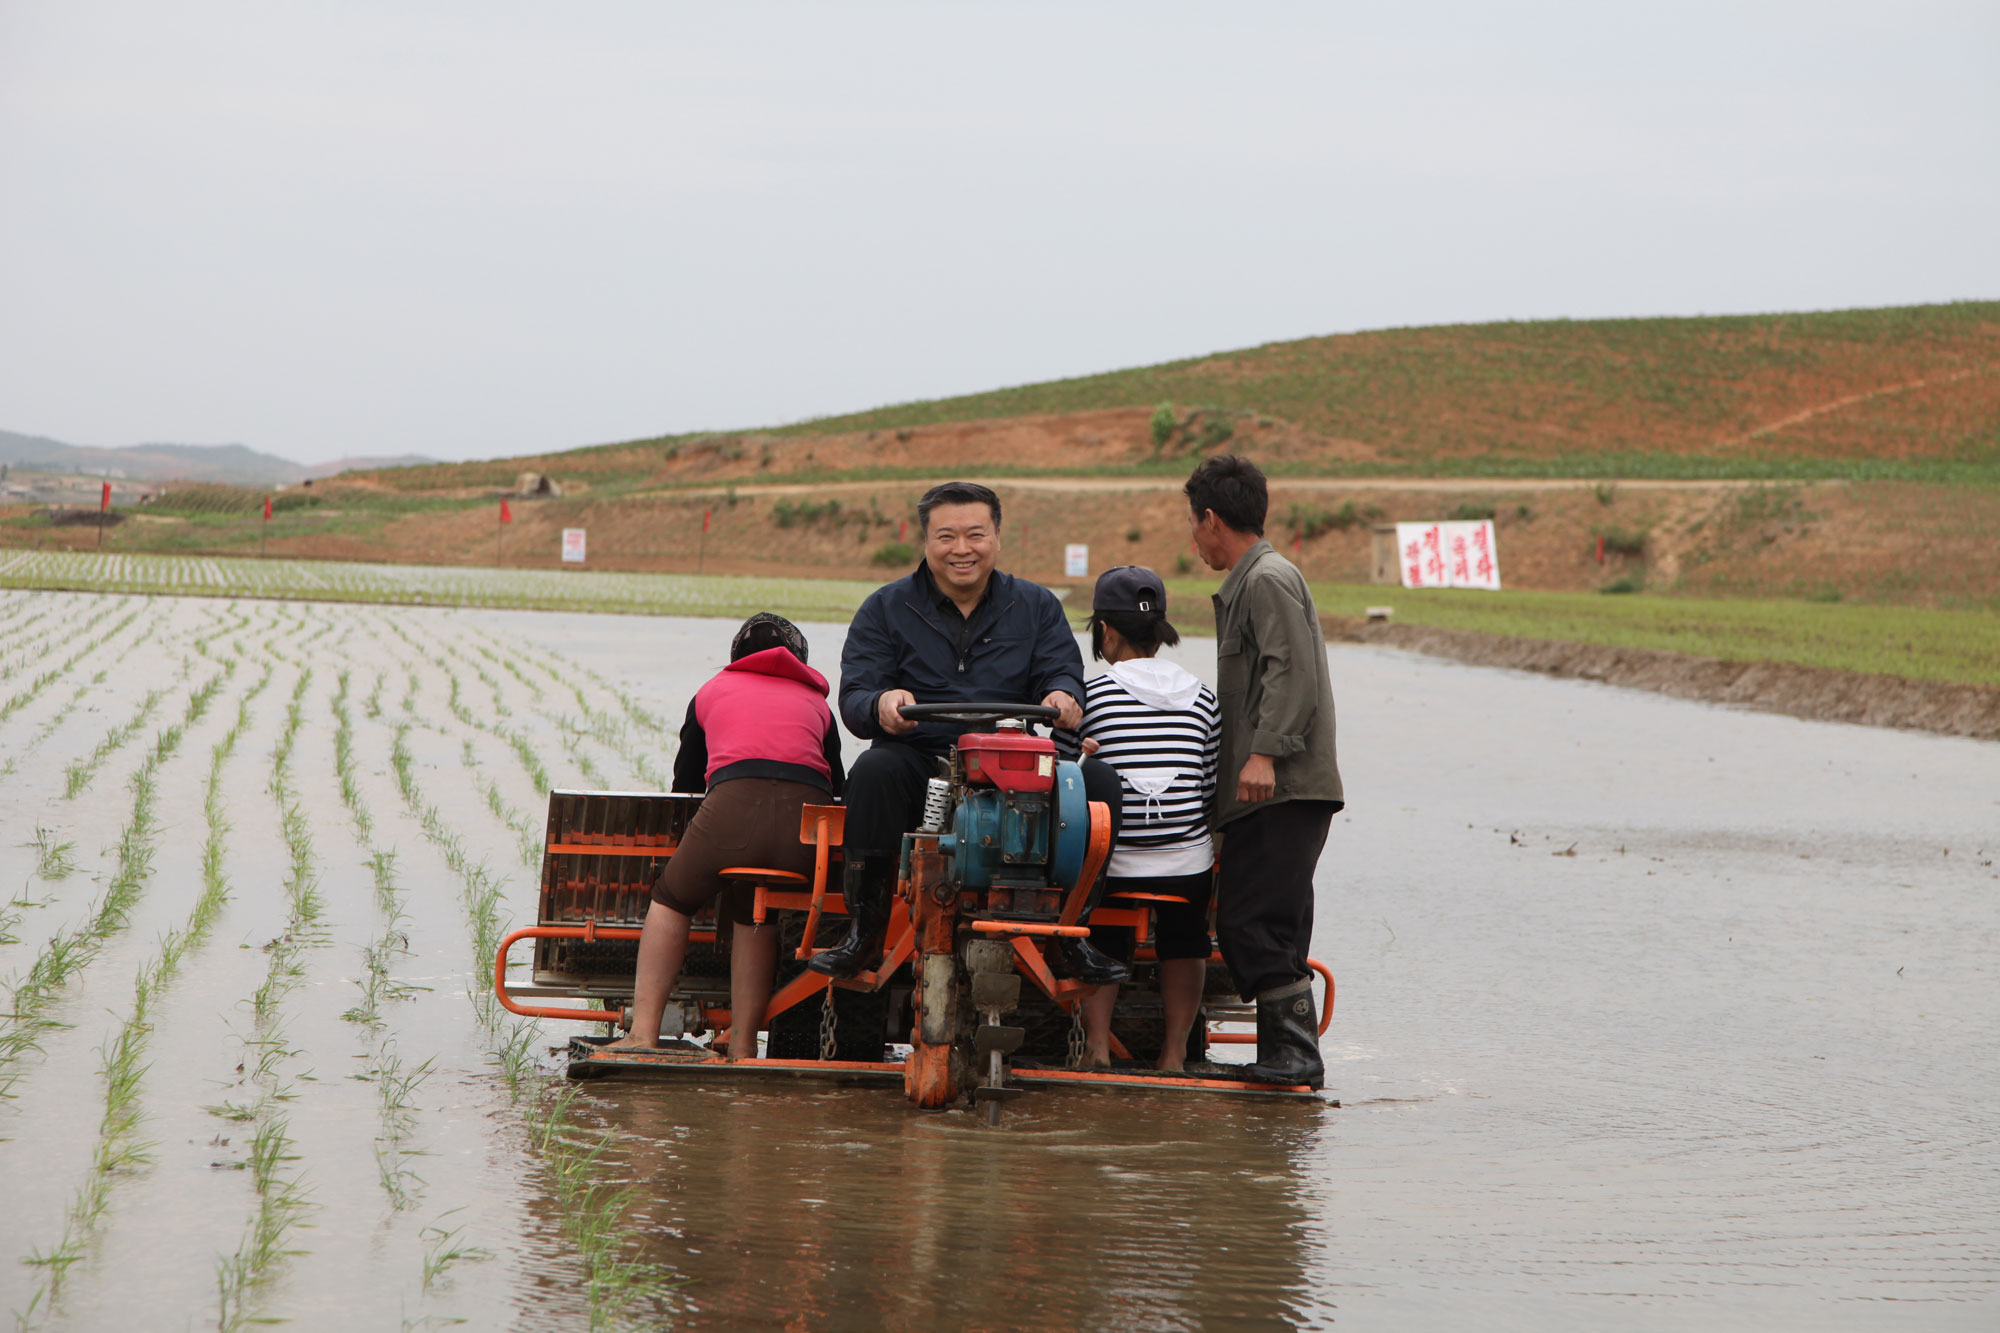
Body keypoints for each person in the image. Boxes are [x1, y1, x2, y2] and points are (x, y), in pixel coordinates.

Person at [811, 480, 1128, 985]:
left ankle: (1072, 936)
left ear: (997, 537)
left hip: (1016, 764)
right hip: (921, 761)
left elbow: (1063, 675)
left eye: (975, 534)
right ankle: (863, 931)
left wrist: (1065, 696)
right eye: (947, 536)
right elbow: (856, 698)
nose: (962, 549)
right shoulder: (885, 608)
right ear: (926, 541)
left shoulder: (1037, 606)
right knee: (872, 770)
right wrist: (881, 703)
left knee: (1101, 786)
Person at [609, 613, 846, 1059]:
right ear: (799, 659)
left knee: (672, 898)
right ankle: (742, 1046)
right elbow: (838, 786)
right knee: (757, 911)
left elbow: (686, 785)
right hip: (806, 829)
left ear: (736, 656)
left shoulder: (712, 691)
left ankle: (643, 1033)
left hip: (732, 807)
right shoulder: (818, 705)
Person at [1185, 456, 1343, 1089]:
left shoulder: (1267, 580)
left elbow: (1290, 672)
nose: (1193, 538)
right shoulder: (1257, 579)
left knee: (1249, 920)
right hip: (1274, 789)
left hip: (1280, 786)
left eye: (1193, 523)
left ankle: (1296, 1057)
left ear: (1213, 518)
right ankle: (1289, 1055)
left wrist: (1263, 754)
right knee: (1275, 921)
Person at [1057, 565, 1220, 1071]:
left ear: (1104, 631)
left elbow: (1065, 780)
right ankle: (1174, 1056)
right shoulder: (1204, 697)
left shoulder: (1092, 696)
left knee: (1101, 925)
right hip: (1187, 867)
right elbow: (1208, 789)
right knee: (1186, 936)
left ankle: (1097, 1050)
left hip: (1116, 865)